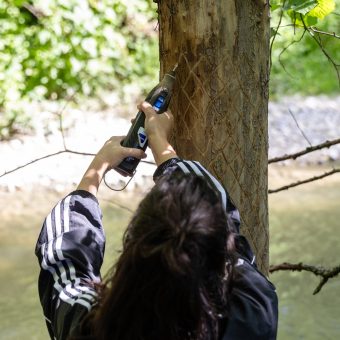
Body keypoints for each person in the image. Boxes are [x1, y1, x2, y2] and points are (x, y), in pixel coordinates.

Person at [35, 102, 278, 340]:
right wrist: (162, 144)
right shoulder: (254, 315)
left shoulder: (93, 327)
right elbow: (224, 219)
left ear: (132, 246)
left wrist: (98, 168)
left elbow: (63, 258)